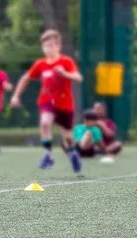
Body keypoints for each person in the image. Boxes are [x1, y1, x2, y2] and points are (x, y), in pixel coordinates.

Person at [10, 29, 83, 172]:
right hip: (46, 100)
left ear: (58, 46)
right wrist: (16, 95)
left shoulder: (66, 61)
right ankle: (48, 155)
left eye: (51, 45)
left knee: (67, 136)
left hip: (64, 102)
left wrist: (65, 73)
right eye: (45, 46)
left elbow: (78, 78)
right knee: (45, 123)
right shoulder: (40, 64)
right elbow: (26, 78)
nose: (48, 49)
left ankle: (72, 152)